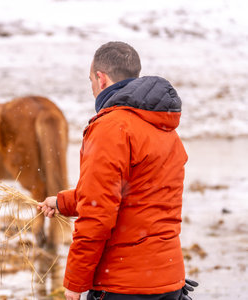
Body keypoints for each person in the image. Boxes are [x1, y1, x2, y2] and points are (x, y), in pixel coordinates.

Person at [38, 41, 198, 300]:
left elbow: (97, 213)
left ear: (101, 79)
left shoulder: (112, 127)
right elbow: (135, 195)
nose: (92, 88)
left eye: (90, 80)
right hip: (168, 281)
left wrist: (74, 284)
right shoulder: (164, 127)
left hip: (123, 285)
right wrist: (62, 202)